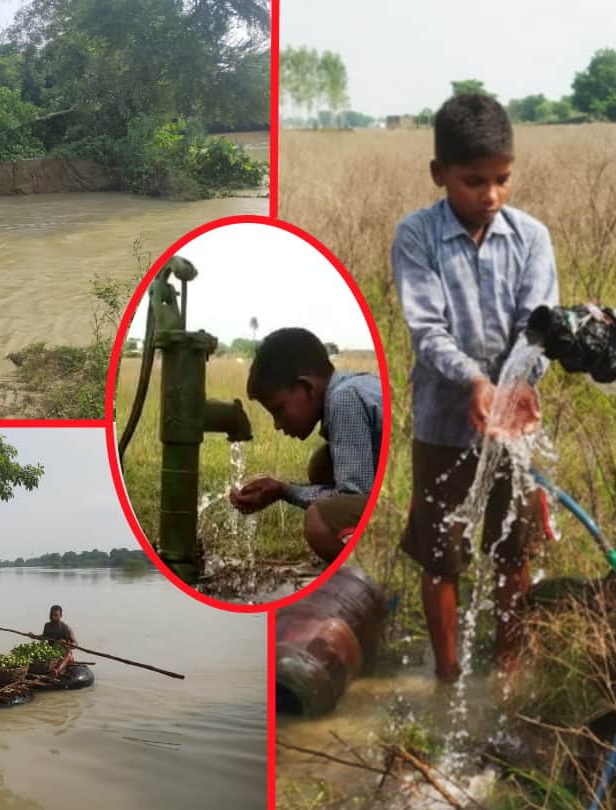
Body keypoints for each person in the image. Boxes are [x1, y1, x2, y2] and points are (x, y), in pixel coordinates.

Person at [391, 93, 559, 681]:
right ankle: (448, 675)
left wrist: (514, 384)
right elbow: (427, 330)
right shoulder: (417, 237)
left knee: (513, 551)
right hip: (442, 423)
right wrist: (475, 381)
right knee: (441, 558)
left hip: (512, 423)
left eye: (502, 180)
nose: (490, 195)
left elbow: (536, 328)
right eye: (473, 181)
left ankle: (508, 668)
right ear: (440, 174)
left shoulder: (531, 238)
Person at [229, 327, 383, 563]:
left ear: (306, 387)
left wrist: (283, 491)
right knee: (323, 465)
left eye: (279, 410)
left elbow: (353, 497)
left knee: (320, 521)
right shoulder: (358, 385)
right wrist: (282, 490)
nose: (277, 425)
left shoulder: (344, 399)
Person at [39, 604, 76, 676]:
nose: (53, 617)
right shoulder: (47, 626)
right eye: (52, 615)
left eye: (56, 615)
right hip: (52, 653)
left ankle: (57, 671)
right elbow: (43, 637)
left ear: (60, 615)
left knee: (68, 654)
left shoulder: (65, 627)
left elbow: (75, 644)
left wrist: (67, 644)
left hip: (64, 653)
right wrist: (33, 636)